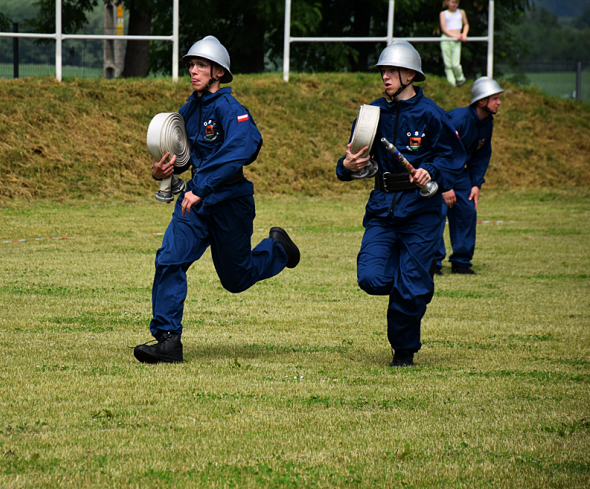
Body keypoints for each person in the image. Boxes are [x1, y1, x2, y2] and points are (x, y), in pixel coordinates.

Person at [133, 35, 300, 364]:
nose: (193, 71)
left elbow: (245, 146)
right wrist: (162, 172)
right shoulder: (187, 109)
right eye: (191, 65)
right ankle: (168, 340)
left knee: (236, 280)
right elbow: (179, 159)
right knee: (169, 259)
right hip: (194, 204)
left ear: (218, 72)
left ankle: (279, 248)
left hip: (230, 203)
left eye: (201, 65)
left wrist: (203, 185)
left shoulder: (230, 108)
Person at [337, 41, 465, 367]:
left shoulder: (432, 114)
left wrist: (431, 171)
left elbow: (452, 157)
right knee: (371, 278)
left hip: (422, 210)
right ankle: (417, 285)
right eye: (382, 71)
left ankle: (403, 351)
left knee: (408, 288)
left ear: (409, 75)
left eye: (391, 71)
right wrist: (347, 167)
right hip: (381, 209)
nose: (385, 77)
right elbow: (354, 160)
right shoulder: (371, 113)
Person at [434, 77, 503, 275]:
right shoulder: (459, 121)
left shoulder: (486, 123)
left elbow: (482, 155)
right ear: (482, 101)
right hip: (439, 171)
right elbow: (439, 152)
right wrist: (445, 186)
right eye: (495, 99)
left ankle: (461, 262)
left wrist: (476, 184)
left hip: (461, 174)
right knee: (436, 212)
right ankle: (432, 263)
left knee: (467, 211)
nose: (499, 102)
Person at [439, 0, 469, 86]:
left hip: (457, 41)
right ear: (447, 2)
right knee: (448, 63)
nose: (454, 4)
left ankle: (460, 78)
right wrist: (454, 36)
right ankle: (451, 81)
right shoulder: (443, 13)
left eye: (456, 2)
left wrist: (464, 34)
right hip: (446, 39)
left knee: (456, 63)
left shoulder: (461, 12)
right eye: (452, 2)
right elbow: (444, 28)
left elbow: (466, 24)